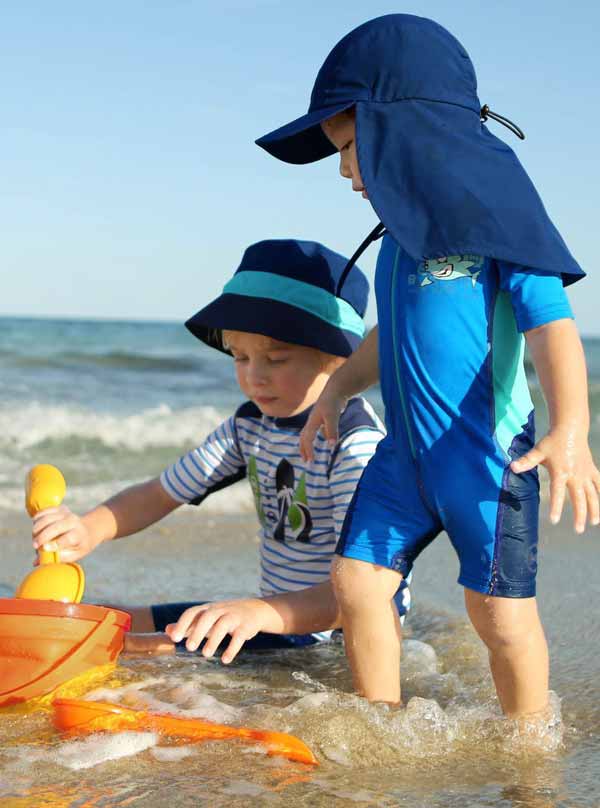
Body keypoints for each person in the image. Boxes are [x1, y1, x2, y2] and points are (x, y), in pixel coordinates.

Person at [255, 14, 600, 717]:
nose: (347, 172)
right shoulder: (401, 243)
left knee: (499, 616)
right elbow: (390, 336)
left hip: (485, 458)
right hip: (404, 458)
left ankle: (529, 746)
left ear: (404, 131)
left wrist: (571, 427)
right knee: (355, 583)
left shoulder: (499, 218)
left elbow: (550, 323)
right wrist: (336, 390)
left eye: (350, 148)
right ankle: (382, 722)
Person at [31, 238, 410, 662]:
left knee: (137, 649)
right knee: (106, 618)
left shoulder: (354, 443)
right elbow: (159, 493)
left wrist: (257, 611)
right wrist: (89, 529)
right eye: (240, 357)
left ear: (339, 359)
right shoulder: (250, 425)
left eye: (276, 359)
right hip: (275, 615)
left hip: (340, 633)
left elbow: (363, 593)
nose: (254, 377)